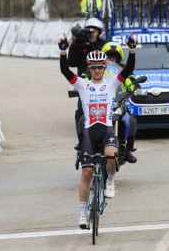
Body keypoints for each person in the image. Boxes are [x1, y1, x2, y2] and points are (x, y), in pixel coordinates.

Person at [58, 32, 137, 229]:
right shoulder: (83, 85)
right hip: (89, 134)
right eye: (93, 67)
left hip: (106, 130)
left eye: (100, 67)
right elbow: (65, 72)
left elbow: (129, 69)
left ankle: (110, 181)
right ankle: (83, 213)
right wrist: (62, 52)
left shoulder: (112, 82)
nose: (97, 70)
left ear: (104, 67)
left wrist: (132, 50)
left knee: (112, 155)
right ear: (89, 68)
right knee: (86, 173)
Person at [68, 17, 108, 148]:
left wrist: (92, 45)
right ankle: (81, 141)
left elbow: (114, 61)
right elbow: (71, 63)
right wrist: (74, 46)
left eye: (94, 31)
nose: (91, 33)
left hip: (104, 83)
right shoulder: (80, 44)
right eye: (89, 31)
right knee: (80, 113)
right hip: (85, 84)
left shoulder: (104, 44)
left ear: (99, 32)